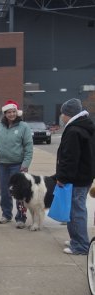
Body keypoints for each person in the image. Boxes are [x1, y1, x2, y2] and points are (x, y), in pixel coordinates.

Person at [56, 98, 95, 255]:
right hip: (85, 176)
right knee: (76, 209)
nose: (61, 116)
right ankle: (76, 239)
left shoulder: (73, 130)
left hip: (76, 178)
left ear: (68, 114)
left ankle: (81, 245)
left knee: (76, 211)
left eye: (62, 113)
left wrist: (62, 177)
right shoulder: (86, 126)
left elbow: (70, 158)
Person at [0, 100, 33, 229]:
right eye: (9, 112)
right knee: (5, 191)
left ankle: (20, 218)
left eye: (13, 111)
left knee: (19, 192)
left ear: (17, 112)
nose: (11, 114)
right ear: (5, 113)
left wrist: (25, 164)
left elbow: (28, 147)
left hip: (18, 165)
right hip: (2, 165)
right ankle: (6, 215)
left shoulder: (24, 127)